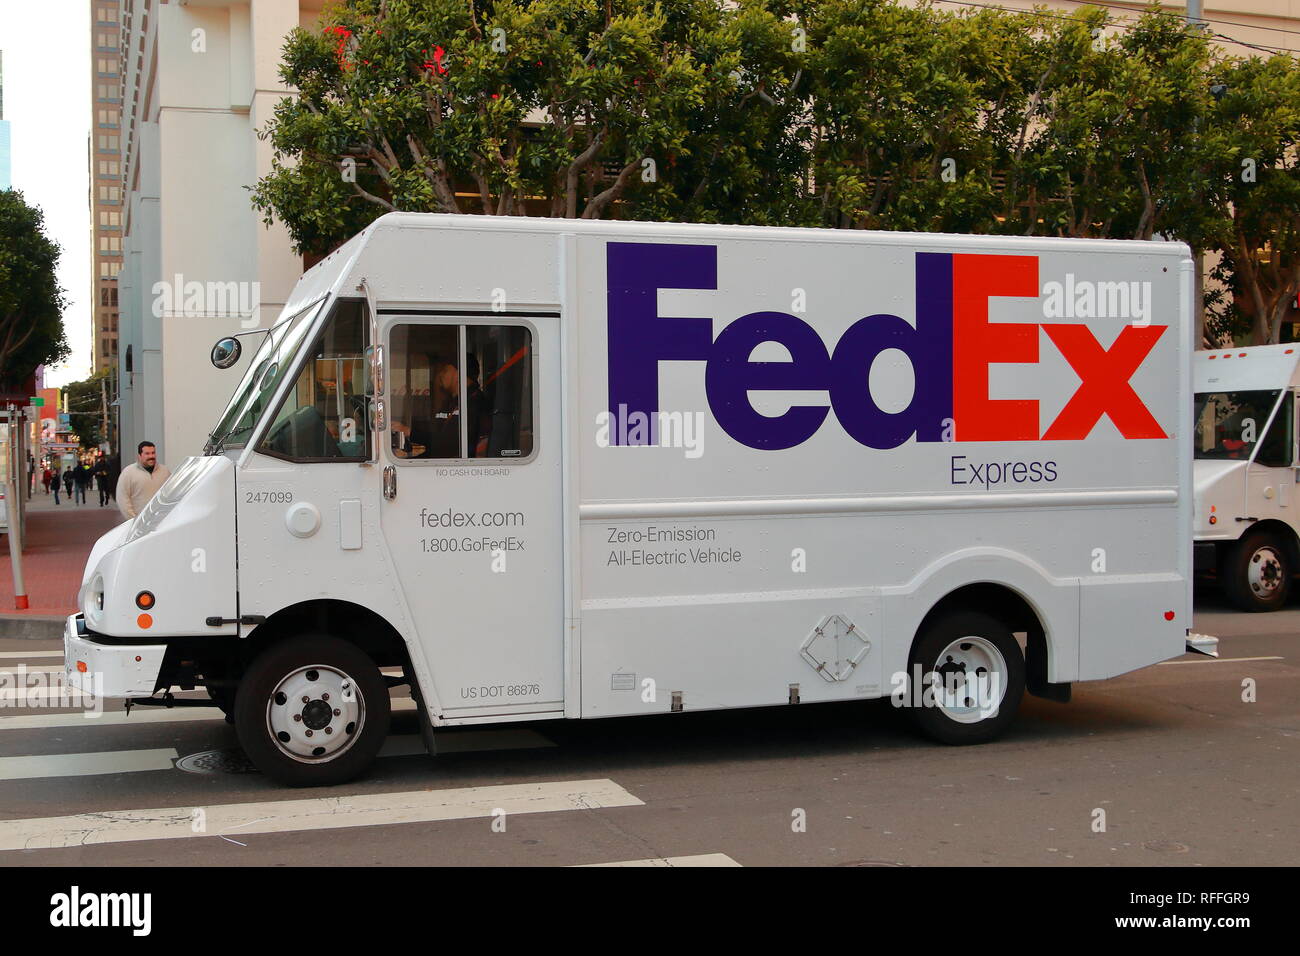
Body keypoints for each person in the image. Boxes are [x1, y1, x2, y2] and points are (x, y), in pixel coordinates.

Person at [117, 440, 171, 521]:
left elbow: (171, 493)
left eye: (153, 453)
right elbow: (123, 499)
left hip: (161, 521)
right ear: (139, 455)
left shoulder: (165, 471)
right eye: (147, 453)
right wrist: (133, 520)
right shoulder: (128, 473)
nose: (151, 456)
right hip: (138, 523)